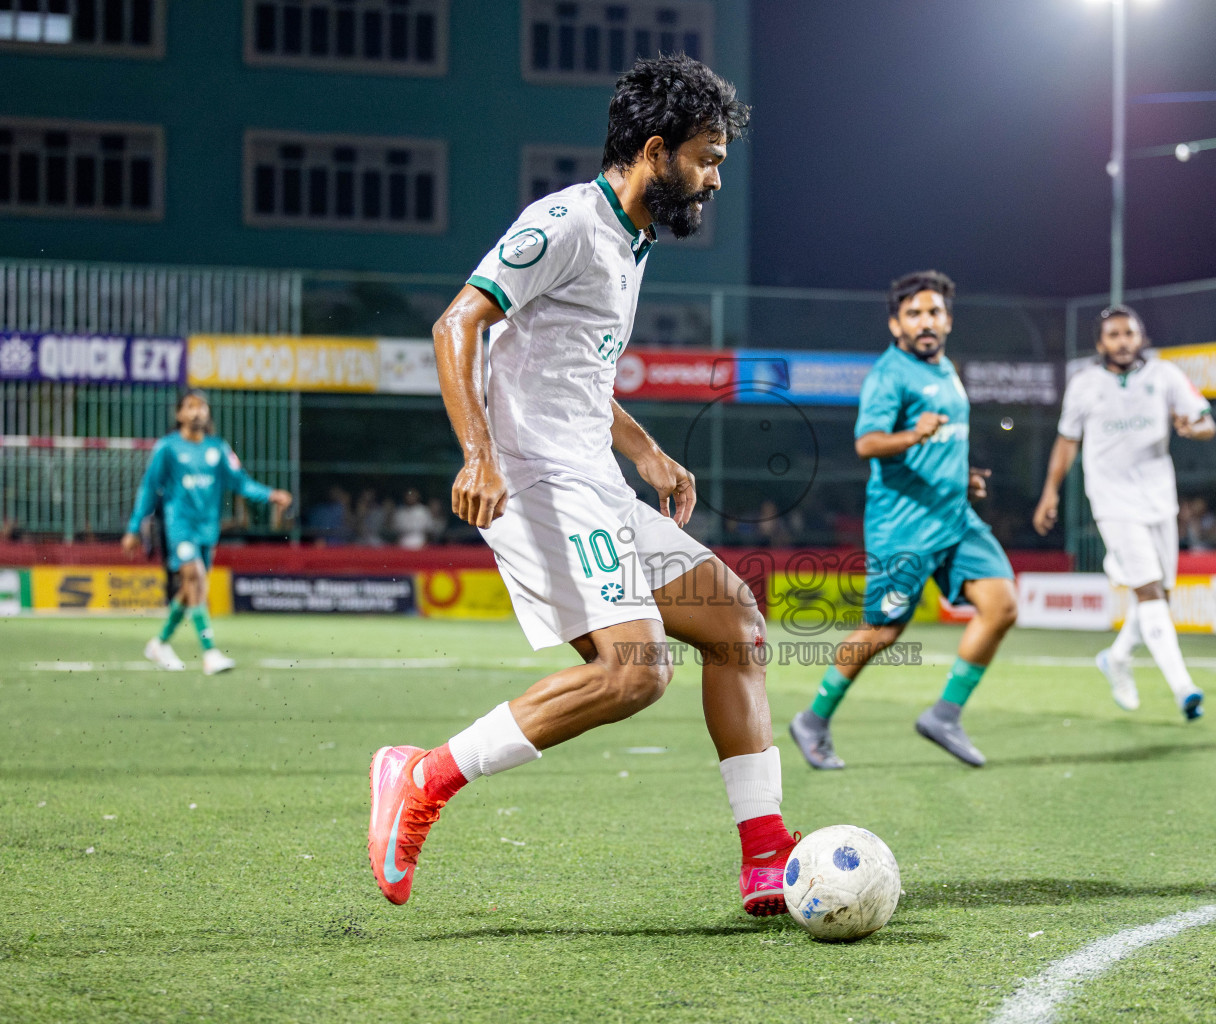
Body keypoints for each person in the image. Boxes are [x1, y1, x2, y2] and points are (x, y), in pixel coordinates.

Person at [365, 56, 799, 917]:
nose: (716, 178)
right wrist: (476, 453)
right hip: (533, 484)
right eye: (708, 157)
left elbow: (572, 375)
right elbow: (459, 321)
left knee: (735, 623)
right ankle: (423, 776)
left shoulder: (631, 240)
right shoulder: (563, 224)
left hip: (593, 479)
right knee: (633, 674)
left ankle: (765, 858)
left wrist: (643, 449)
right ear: (654, 149)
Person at [787, 271, 1018, 771]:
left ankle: (945, 715)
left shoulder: (945, 370)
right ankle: (814, 718)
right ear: (896, 325)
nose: (925, 321)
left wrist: (964, 476)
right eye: (913, 314)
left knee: (1001, 605)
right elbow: (867, 443)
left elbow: (943, 439)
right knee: (882, 631)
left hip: (955, 517)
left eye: (934, 312)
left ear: (948, 321)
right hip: (905, 526)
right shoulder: (889, 375)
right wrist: (914, 434)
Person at [1032, 306, 1216, 719]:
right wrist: (1050, 493)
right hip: (1112, 501)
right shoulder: (1084, 385)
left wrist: (1193, 428)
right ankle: (1183, 687)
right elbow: (1066, 442)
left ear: (1141, 337)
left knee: (1159, 597)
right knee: (1149, 590)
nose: (1121, 341)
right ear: (1100, 344)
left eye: (1128, 333)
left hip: (1159, 499)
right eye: (1113, 335)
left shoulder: (1165, 376)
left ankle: (1116, 659)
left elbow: (1206, 421)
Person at [122, 390, 292, 675]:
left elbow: (241, 483)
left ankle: (159, 643)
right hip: (180, 526)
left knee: (192, 591)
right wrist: (134, 526)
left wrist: (269, 494)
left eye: (202, 407)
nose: (197, 412)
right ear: (179, 414)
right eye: (190, 407)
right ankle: (210, 653)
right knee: (195, 578)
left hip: (207, 530)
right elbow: (149, 487)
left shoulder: (218, 449)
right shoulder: (168, 448)